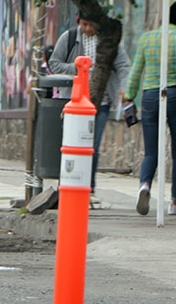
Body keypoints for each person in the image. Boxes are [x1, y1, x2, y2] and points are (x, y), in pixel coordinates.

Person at [124, 0, 176, 216]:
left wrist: (129, 95)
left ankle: (145, 185)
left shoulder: (147, 39)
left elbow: (136, 70)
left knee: (151, 151)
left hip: (149, 96)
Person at [47, 13, 131, 199]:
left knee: (92, 145)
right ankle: (69, 182)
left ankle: (89, 187)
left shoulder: (107, 41)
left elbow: (124, 65)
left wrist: (124, 88)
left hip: (100, 102)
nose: (88, 29)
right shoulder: (69, 38)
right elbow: (54, 63)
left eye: (92, 24)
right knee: (71, 144)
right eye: (85, 24)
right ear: (79, 22)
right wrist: (78, 70)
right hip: (73, 101)